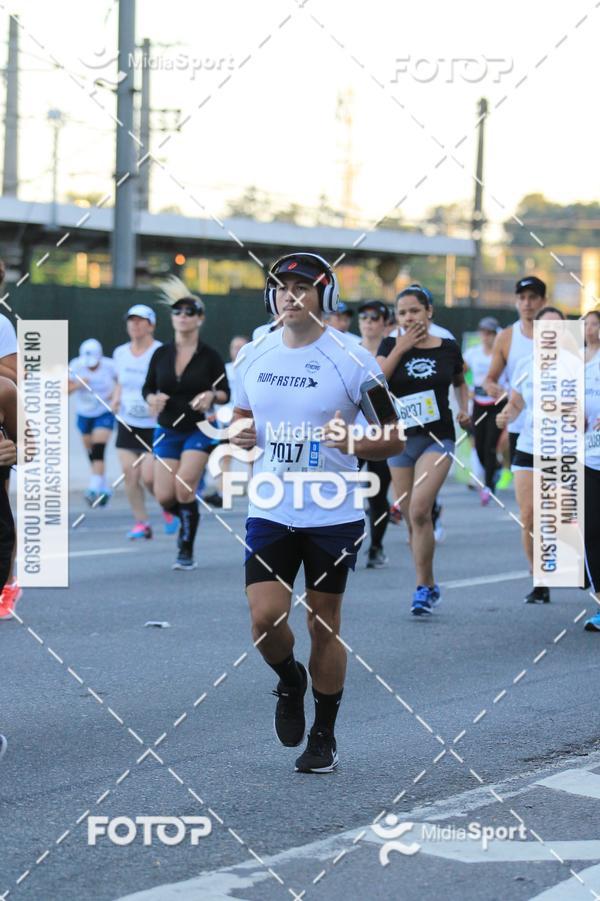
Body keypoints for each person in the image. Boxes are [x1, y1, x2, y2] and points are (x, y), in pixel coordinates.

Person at [231, 252, 403, 773]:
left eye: (303, 287)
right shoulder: (254, 354)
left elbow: (393, 436)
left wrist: (353, 439)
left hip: (332, 512)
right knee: (265, 619)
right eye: (282, 286)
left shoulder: (353, 360)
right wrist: (241, 435)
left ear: (324, 296)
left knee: (322, 624)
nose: (291, 295)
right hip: (271, 507)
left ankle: (324, 734)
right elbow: (243, 417)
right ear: (271, 295)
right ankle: (289, 679)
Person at [377, 285, 469, 615]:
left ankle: (421, 587)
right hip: (399, 439)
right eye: (402, 313)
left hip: (437, 437)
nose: (408, 317)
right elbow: (376, 382)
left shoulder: (447, 347)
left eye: (414, 310)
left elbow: (460, 380)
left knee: (418, 510)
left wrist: (464, 409)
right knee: (411, 520)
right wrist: (400, 348)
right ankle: (429, 585)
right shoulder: (390, 345)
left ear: (429, 311)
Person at [142, 277, 229, 571]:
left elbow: (224, 391)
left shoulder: (210, 355)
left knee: (184, 487)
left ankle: (186, 548)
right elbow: (148, 388)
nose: (182, 316)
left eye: (190, 312)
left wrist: (210, 395)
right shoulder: (161, 353)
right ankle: (187, 518)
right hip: (167, 429)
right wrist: (152, 399)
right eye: (177, 312)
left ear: (200, 318)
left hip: (198, 429)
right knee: (164, 495)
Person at [495, 307, 565, 604]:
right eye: (543, 328)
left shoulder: (580, 365)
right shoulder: (526, 363)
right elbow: (517, 403)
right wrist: (505, 415)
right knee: (529, 516)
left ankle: (579, 567)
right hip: (528, 446)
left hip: (565, 450)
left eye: (555, 328)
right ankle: (539, 580)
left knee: (563, 517)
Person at [112, 305, 163, 539]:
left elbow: (168, 383)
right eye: (131, 320)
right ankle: (142, 522)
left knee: (149, 477)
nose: (135, 324)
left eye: (141, 321)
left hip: (153, 424)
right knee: (129, 473)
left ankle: (168, 507)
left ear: (151, 325)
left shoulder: (161, 352)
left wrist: (160, 401)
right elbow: (120, 382)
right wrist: (115, 399)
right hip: (127, 421)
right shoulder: (120, 352)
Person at [484, 276, 547, 462]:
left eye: (533, 297)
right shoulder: (506, 337)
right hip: (519, 424)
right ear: (516, 301)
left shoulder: (559, 334)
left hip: (553, 427)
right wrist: (491, 387)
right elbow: (490, 379)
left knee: (551, 489)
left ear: (544, 301)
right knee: (523, 486)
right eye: (522, 298)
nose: (527, 303)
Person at [357, 300, 393, 568]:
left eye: (374, 317)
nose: (369, 322)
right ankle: (346, 542)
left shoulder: (393, 351)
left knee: (377, 493)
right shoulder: (349, 351)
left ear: (385, 323)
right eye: (364, 317)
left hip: (382, 433)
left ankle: (376, 546)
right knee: (344, 489)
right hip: (353, 433)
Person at [68, 339, 117, 505]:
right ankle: (102, 486)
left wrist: (115, 398)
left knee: (98, 447)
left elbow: (120, 383)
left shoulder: (110, 366)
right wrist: (78, 384)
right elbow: (64, 390)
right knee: (90, 451)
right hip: (84, 413)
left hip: (104, 411)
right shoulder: (76, 365)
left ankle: (94, 487)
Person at [464, 316, 506, 505]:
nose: (486, 337)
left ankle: (489, 486)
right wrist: (468, 389)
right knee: (479, 445)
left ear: (497, 335)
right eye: (483, 333)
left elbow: (513, 375)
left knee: (490, 444)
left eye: (490, 333)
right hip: (479, 403)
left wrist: (506, 391)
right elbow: (459, 373)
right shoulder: (473, 353)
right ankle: (495, 467)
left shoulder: (502, 354)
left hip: (498, 404)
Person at [580, 310, 600, 630]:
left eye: (595, 322)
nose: (590, 328)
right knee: (591, 529)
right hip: (588, 456)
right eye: (585, 322)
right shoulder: (571, 361)